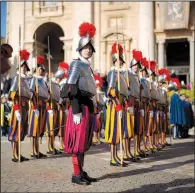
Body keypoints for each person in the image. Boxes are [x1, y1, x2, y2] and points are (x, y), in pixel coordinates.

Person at [61, 22, 97, 185]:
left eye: (90, 47)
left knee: (83, 142)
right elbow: (71, 87)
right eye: (85, 47)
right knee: (76, 143)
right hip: (79, 107)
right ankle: (76, 175)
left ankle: (81, 171)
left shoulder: (88, 67)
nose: (88, 50)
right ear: (79, 49)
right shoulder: (76, 64)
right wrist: (75, 110)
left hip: (87, 106)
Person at [7, 49, 37, 162]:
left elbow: (29, 94)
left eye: (25, 67)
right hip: (18, 106)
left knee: (21, 130)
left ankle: (18, 153)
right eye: (22, 67)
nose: (24, 68)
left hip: (25, 106)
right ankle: (14, 154)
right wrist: (16, 109)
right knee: (15, 130)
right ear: (19, 68)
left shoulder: (26, 80)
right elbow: (13, 94)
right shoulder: (17, 79)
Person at [105, 42, 129, 166]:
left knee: (119, 132)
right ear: (114, 61)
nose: (120, 62)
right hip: (114, 107)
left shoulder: (121, 74)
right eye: (119, 60)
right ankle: (112, 158)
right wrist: (117, 105)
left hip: (121, 106)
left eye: (121, 61)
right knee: (114, 132)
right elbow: (110, 91)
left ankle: (117, 157)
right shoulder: (113, 73)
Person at [28, 56, 48, 158]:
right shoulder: (33, 79)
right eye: (39, 69)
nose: (40, 71)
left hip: (43, 105)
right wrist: (34, 107)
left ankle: (38, 150)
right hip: (36, 105)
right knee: (34, 129)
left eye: (42, 70)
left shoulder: (43, 81)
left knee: (40, 129)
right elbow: (31, 93)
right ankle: (33, 151)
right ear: (36, 69)